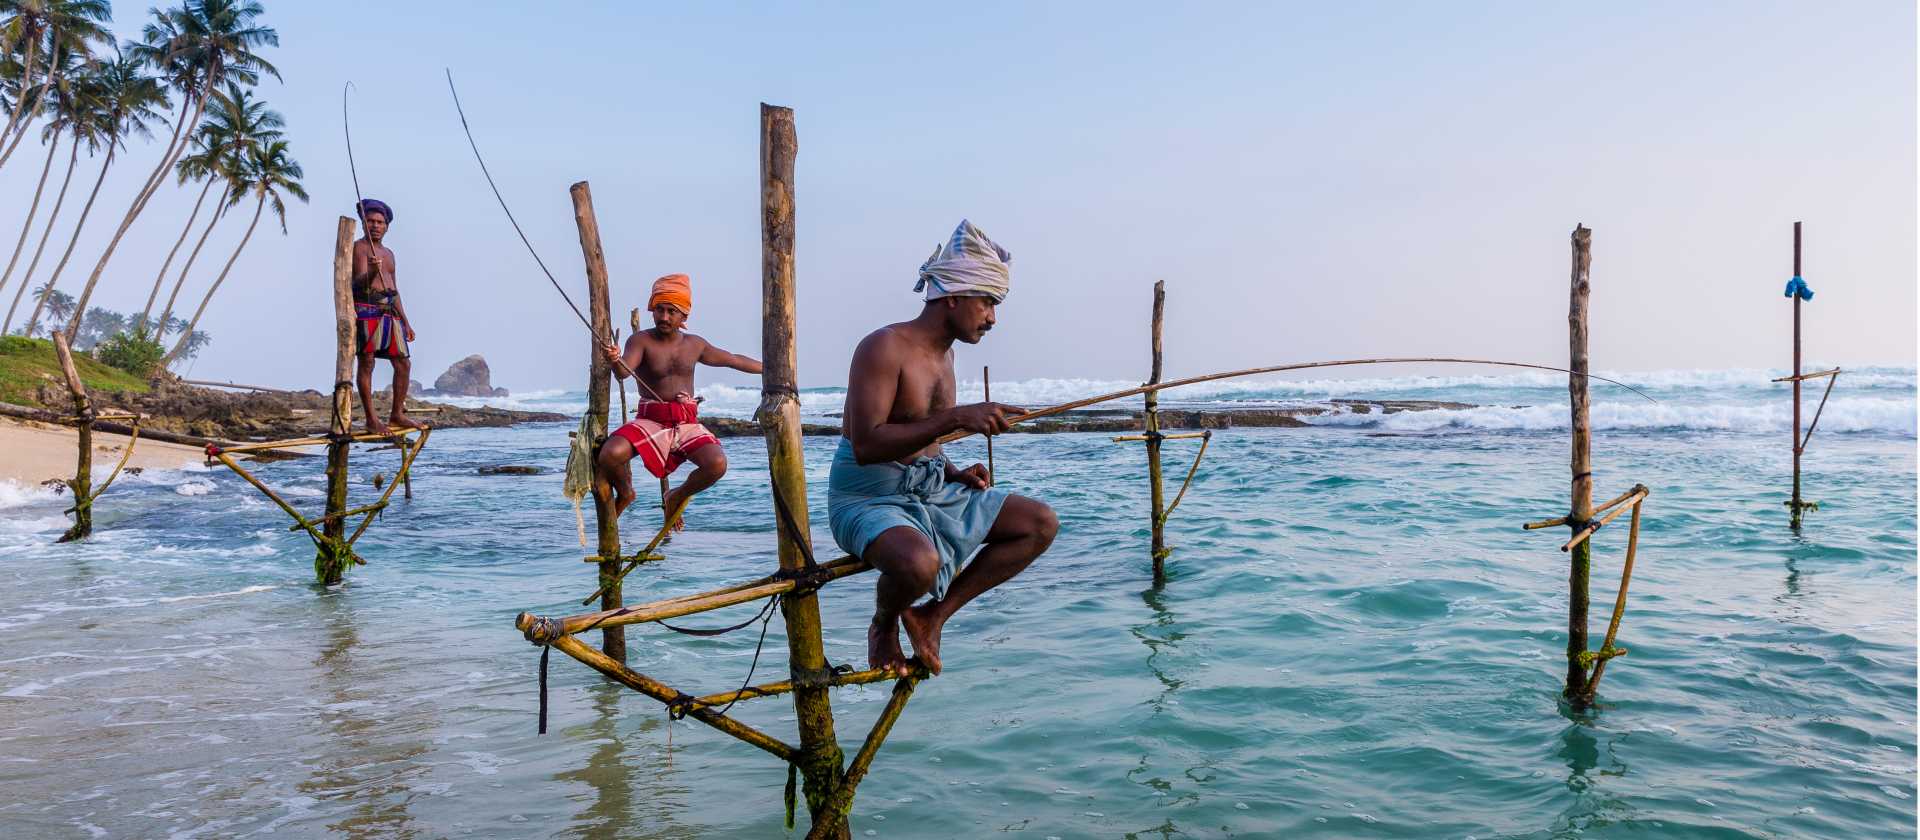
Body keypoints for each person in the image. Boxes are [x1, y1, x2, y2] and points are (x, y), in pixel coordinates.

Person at [830, 220, 1058, 677]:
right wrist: (957, 418)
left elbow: (921, 434)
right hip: (867, 497)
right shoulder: (882, 347)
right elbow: (867, 444)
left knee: (1039, 523)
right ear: (953, 296)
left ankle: (932, 616)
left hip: (931, 489)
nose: (992, 318)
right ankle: (883, 625)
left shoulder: (947, 354)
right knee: (919, 564)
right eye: (988, 302)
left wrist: (952, 471)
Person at [597, 273, 763, 527]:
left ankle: (675, 495)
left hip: (686, 423)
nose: (664, 317)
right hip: (650, 422)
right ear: (652, 310)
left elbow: (733, 359)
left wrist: (771, 368)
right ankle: (626, 492)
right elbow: (622, 372)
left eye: (672, 311)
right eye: (659, 310)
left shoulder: (695, 344)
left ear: (684, 316)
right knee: (610, 454)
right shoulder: (641, 340)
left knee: (717, 464)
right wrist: (614, 359)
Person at [350, 199, 420, 433]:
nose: (375, 226)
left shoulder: (389, 254)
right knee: (367, 362)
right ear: (363, 223)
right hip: (366, 309)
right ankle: (371, 419)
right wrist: (371, 271)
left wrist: (406, 322)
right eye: (370, 221)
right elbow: (358, 285)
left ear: (387, 226)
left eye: (380, 222)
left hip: (390, 312)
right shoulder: (358, 248)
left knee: (403, 363)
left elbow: (394, 288)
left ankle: (397, 414)